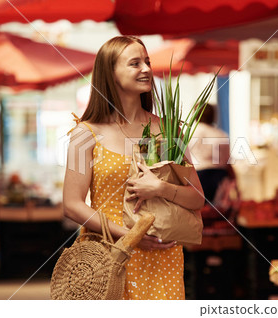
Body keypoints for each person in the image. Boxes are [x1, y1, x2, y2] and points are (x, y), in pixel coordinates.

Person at [62, 36, 205, 300]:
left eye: (147, 62)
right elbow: (72, 204)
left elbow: (197, 198)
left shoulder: (167, 130)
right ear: (110, 73)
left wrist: (161, 188)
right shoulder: (86, 134)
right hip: (109, 253)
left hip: (162, 256)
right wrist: (130, 236)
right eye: (135, 63)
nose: (147, 69)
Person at [190, 104, 240, 210]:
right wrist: (236, 181)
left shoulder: (191, 132)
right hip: (219, 176)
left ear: (196, 114)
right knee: (215, 212)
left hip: (198, 174)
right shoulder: (221, 135)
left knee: (198, 210)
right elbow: (228, 162)